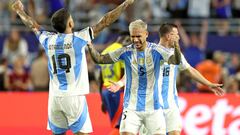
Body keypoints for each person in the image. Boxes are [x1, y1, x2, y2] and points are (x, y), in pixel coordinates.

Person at [11, 0, 134, 134]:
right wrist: (125, 4)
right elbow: (105, 21)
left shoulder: (47, 39)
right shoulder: (78, 39)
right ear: (70, 23)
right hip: (74, 97)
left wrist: (19, 10)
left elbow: (32, 24)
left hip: (55, 98)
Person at [108, 23, 225, 135]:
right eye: (176, 34)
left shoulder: (175, 53)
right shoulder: (149, 52)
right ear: (169, 36)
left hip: (171, 105)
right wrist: (120, 83)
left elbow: (189, 70)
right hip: (151, 106)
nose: (178, 37)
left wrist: (209, 84)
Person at [87, 19, 182, 135]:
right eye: (133, 36)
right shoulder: (125, 52)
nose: (135, 40)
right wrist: (90, 46)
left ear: (146, 34)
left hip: (154, 108)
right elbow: (100, 59)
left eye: (138, 36)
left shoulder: (157, 51)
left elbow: (176, 60)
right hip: (131, 108)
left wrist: (176, 45)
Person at [99, 31, 130, 135]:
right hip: (117, 90)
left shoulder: (105, 51)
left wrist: (102, 99)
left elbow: (100, 77)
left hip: (105, 90)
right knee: (122, 124)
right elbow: (124, 73)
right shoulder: (122, 51)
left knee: (117, 124)